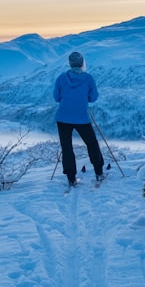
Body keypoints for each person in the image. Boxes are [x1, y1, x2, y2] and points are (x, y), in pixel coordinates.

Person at [53, 51, 105, 187]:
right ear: (82, 63)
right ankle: (99, 172)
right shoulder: (88, 79)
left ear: (70, 64)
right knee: (92, 144)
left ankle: (71, 178)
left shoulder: (62, 78)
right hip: (82, 117)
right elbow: (93, 98)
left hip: (63, 117)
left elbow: (56, 97)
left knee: (67, 147)